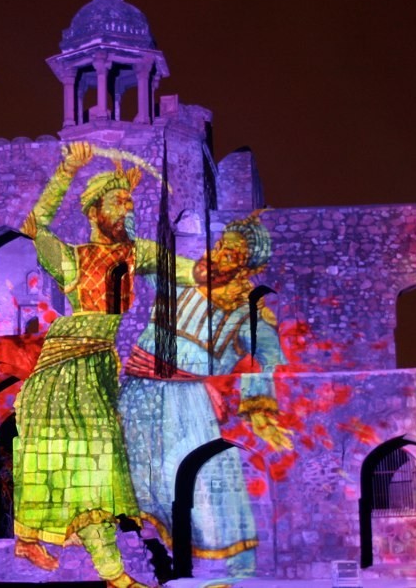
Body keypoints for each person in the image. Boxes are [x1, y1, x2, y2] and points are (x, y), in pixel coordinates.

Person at [12, 142, 190, 588]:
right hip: (63, 364)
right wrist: (69, 168)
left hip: (98, 365)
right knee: (83, 463)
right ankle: (108, 572)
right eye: (118, 202)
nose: (127, 211)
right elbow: (35, 224)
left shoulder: (137, 253)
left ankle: (45, 542)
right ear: (93, 210)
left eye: (130, 204)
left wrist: (221, 276)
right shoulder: (70, 258)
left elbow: (184, 268)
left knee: (94, 467)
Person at [119, 214, 292, 577]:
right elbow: (145, 259)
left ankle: (198, 565)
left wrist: (258, 407)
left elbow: (268, 357)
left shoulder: (248, 310)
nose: (219, 257)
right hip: (139, 391)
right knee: (129, 472)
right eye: (220, 247)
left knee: (188, 480)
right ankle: (141, 547)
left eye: (231, 255)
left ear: (244, 267)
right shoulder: (182, 277)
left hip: (187, 399)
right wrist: (126, 225)